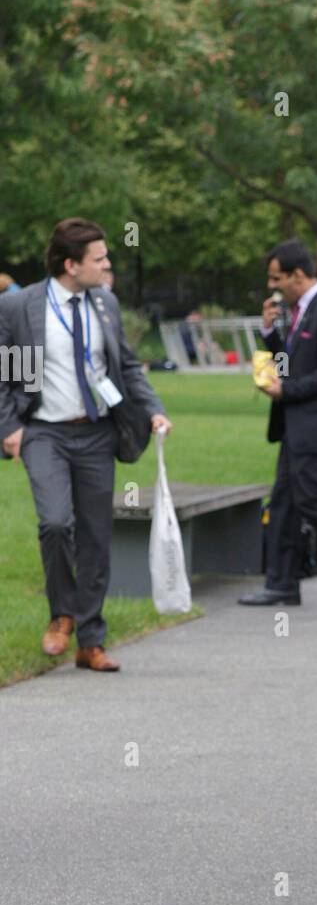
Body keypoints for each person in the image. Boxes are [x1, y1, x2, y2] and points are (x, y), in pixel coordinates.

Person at [0, 218, 172, 670]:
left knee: (96, 535)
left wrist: (153, 408)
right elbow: (10, 374)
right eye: (99, 258)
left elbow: (127, 366)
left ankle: (90, 639)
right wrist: (9, 427)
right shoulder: (22, 307)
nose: (107, 264)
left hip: (97, 433)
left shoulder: (105, 303)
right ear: (71, 264)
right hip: (43, 432)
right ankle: (62, 615)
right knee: (57, 523)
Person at [237, 241, 317, 607]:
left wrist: (288, 389)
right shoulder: (301, 309)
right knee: (283, 505)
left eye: (277, 277)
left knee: (308, 502)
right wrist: (270, 335)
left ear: (298, 275)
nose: (273, 286)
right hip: (294, 427)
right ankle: (281, 584)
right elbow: (292, 361)